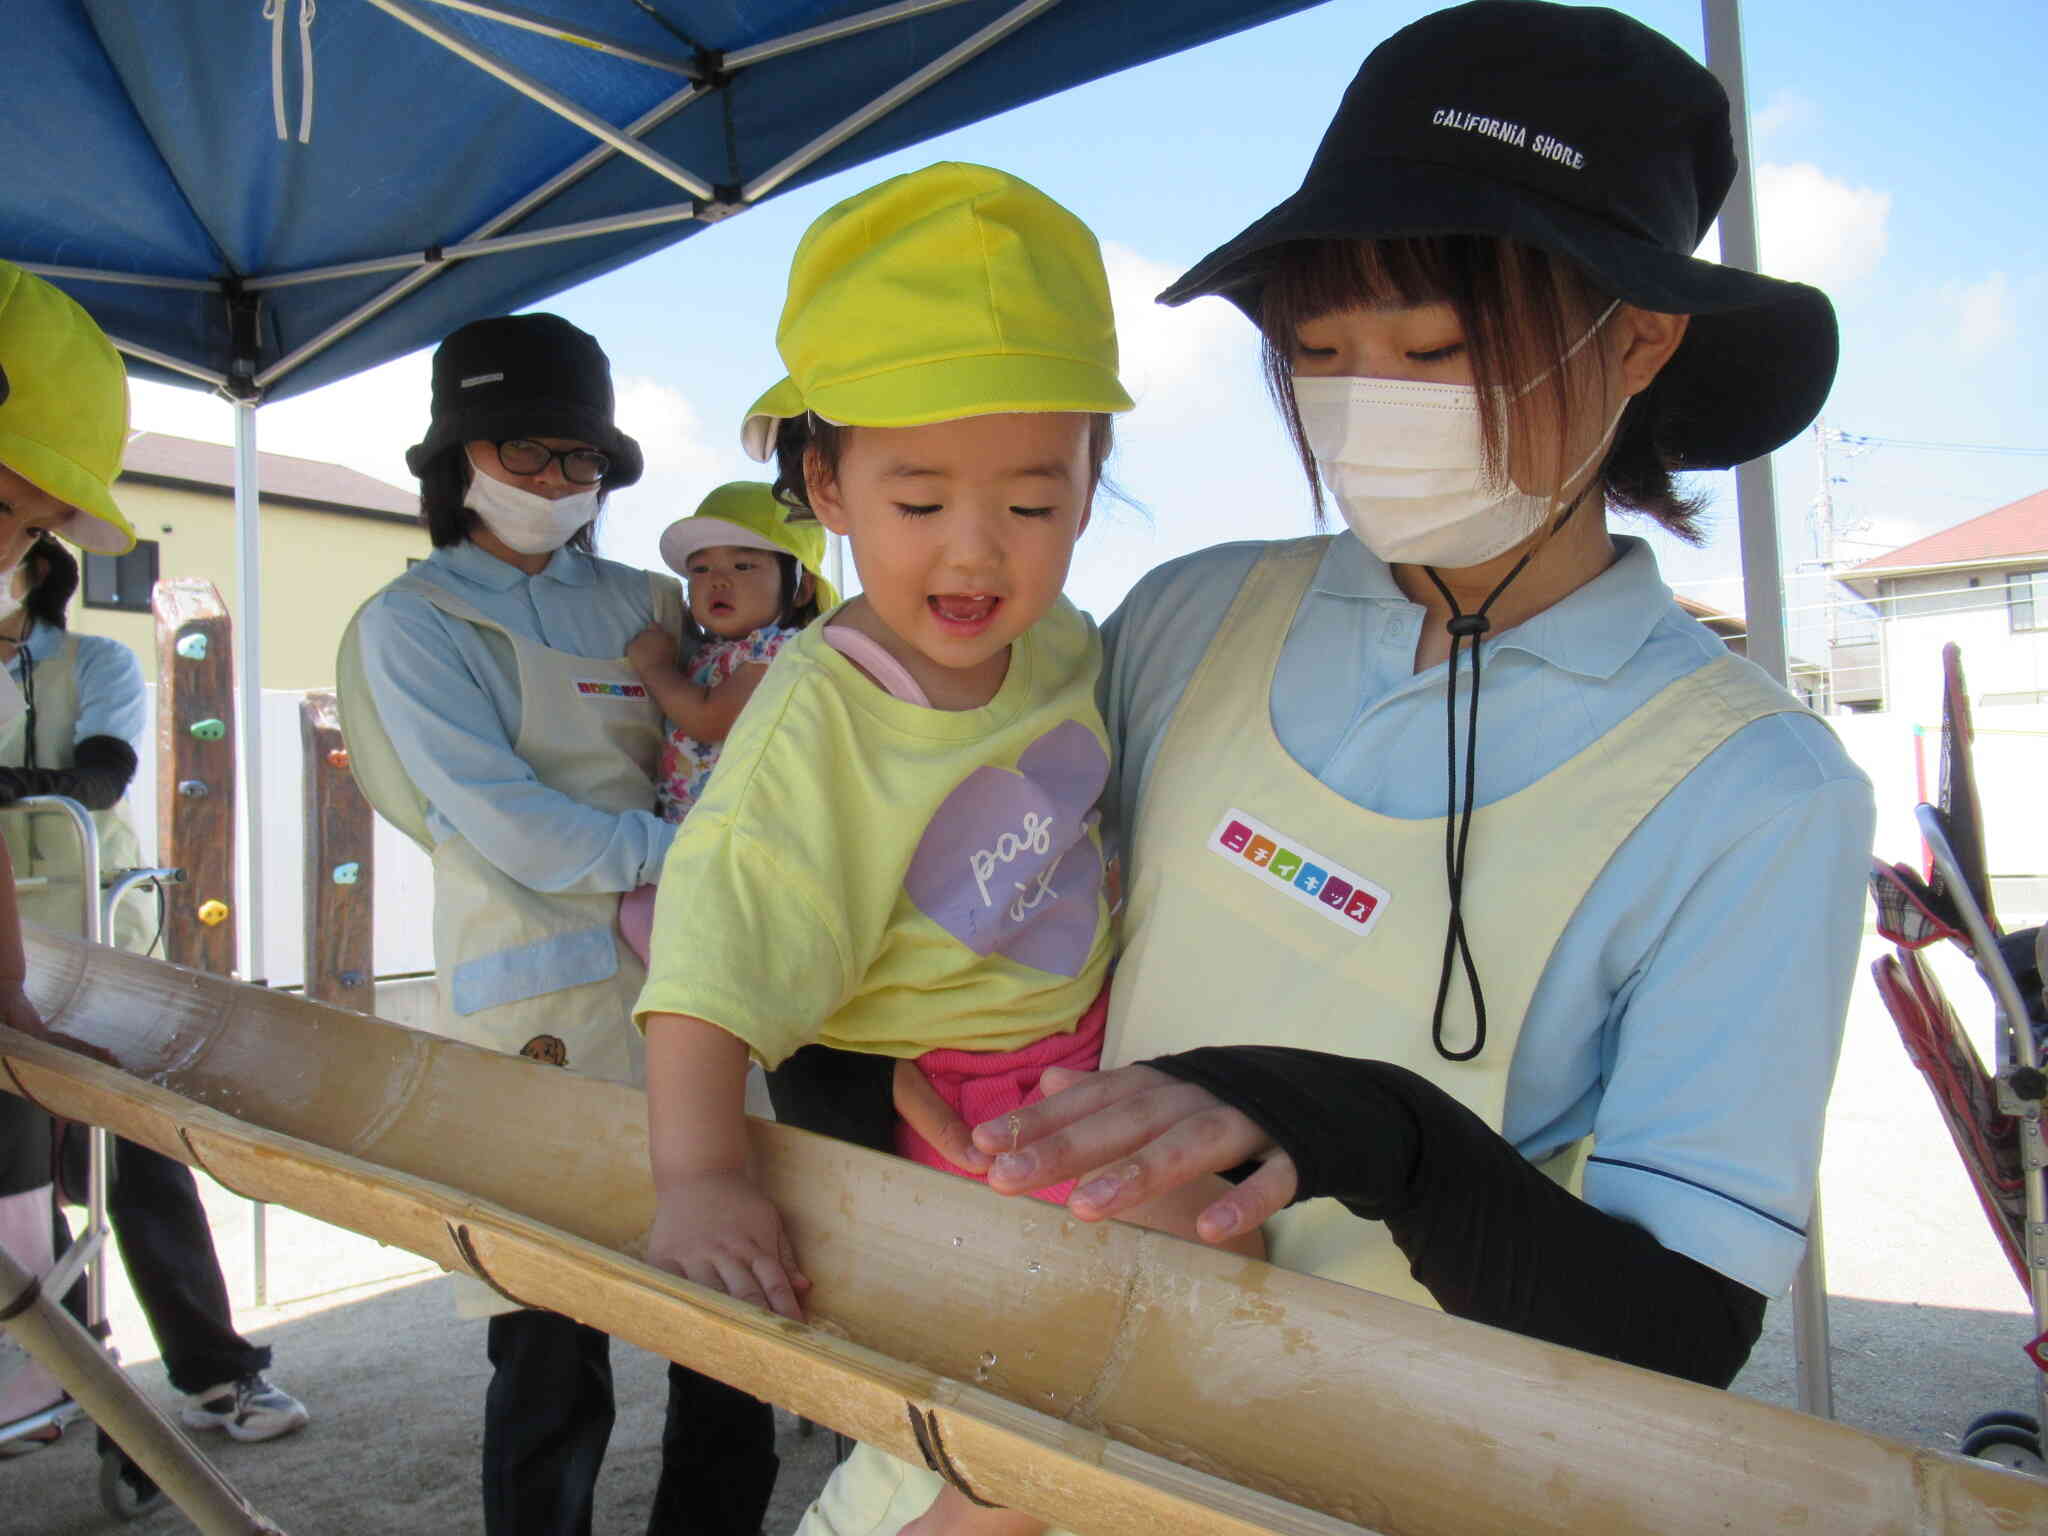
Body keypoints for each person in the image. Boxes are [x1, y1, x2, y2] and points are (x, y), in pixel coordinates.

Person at [799, 6, 1876, 1532]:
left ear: (1637, 339)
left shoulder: (1751, 791)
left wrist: (1381, 1134)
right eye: (1318, 351)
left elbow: (1676, 1333)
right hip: (975, 1420)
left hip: (1327, 1485)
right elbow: (968, 928)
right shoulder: (1193, 617)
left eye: (1436, 349)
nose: (1371, 402)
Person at [632, 164, 1258, 1536]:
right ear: (827, 485)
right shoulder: (826, 714)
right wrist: (702, 1175)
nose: (976, 553)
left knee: (1177, 1316)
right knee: (1171, 1307)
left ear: (1093, 485)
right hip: (957, 1096)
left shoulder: (1067, 650)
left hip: (1092, 1045)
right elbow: (711, 947)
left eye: (1031, 505)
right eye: (919, 503)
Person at [338, 313, 777, 1536]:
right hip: (537, 998)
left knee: (733, 1320)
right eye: (526, 455)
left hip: (698, 981)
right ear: (458, 457)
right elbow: (503, 823)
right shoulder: (413, 623)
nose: (555, 485)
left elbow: (758, 732)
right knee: (545, 1335)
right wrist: (694, 865)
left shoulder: (651, 599)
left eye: (579, 464)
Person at [0, 259, 308, 1450]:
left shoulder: (103, 669)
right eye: (7, 513)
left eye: (30, 531)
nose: (15, 550)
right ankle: (57, 1377)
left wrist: (15, 997)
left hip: (82, 944)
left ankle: (209, 1368)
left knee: (125, 1145)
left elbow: (94, 782)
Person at [628, 479, 838, 828]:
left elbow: (711, 720)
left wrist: (656, 668)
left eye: (743, 566)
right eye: (700, 569)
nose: (718, 580)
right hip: (696, 833)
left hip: (747, 839)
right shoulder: (710, 651)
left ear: (801, 588)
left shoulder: (781, 651)